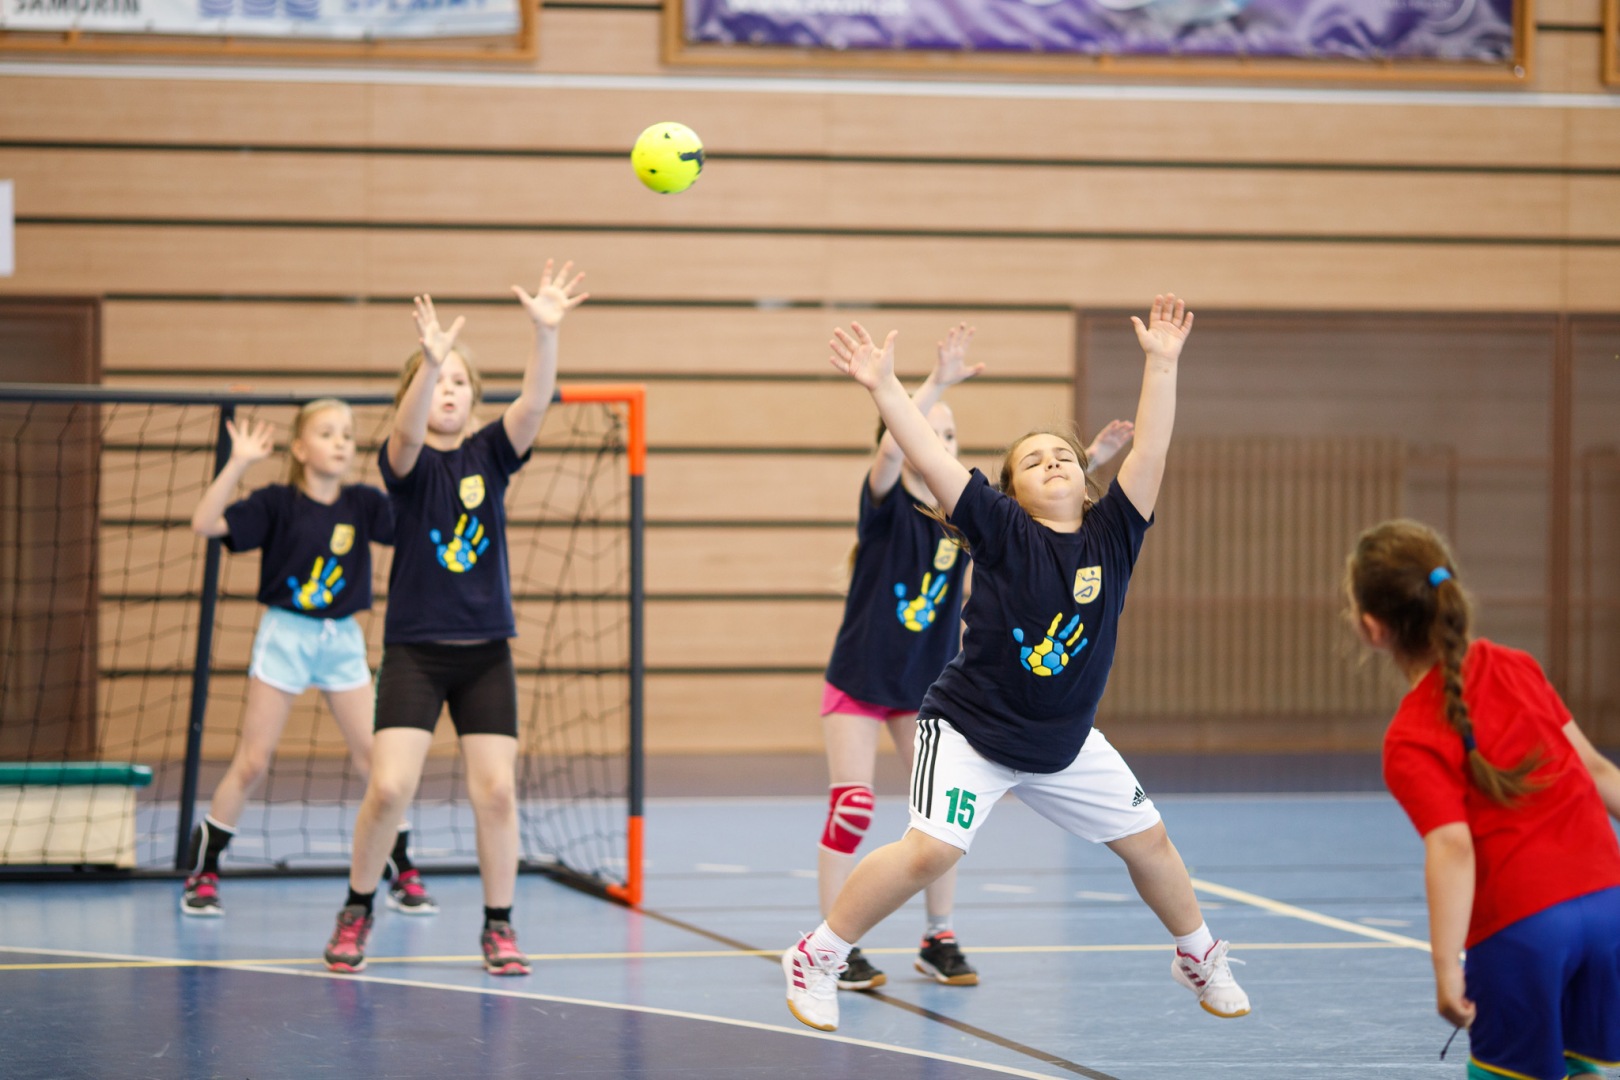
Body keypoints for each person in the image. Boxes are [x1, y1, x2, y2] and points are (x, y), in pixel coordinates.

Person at [783, 295, 1249, 1032]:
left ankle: (1198, 955)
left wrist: (1162, 364)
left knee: (1152, 843)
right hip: (972, 732)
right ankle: (818, 955)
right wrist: (886, 385)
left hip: (1063, 743)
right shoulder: (1000, 529)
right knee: (929, 851)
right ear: (1011, 491)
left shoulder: (1114, 535)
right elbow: (929, 454)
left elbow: (1151, 452)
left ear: (1086, 479)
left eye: (1062, 454)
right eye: (1032, 459)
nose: (1052, 461)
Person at [818, 321, 1135, 992]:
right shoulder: (885, 505)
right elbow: (903, 443)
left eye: (951, 439)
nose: (939, 445)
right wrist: (929, 384)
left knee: (938, 824)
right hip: (859, 682)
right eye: (929, 433)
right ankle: (836, 943)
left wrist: (1094, 460)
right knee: (852, 807)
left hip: (922, 688)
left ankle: (939, 936)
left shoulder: (967, 525)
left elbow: (1036, 511)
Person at [321, 260, 587, 976]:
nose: (448, 390)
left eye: (460, 381)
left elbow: (534, 402)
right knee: (388, 788)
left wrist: (545, 333)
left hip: (484, 653)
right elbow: (406, 434)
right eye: (437, 380)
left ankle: (499, 925)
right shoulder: (404, 465)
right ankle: (357, 908)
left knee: (496, 792)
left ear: (474, 399)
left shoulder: (490, 454)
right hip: (415, 651)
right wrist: (429, 361)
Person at [1347, 519, 1620, 1080]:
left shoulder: (1410, 735)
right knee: (1583, 1067)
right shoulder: (1516, 666)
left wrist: (1446, 967)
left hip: (1523, 928)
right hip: (1608, 904)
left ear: (1372, 628)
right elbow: (1597, 770)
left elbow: (1453, 846)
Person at [184, 399, 433, 918]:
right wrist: (238, 463)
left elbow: (417, 523)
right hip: (286, 636)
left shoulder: (364, 504)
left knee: (378, 761)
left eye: (347, 434)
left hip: (342, 640)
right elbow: (204, 523)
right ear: (299, 448)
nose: (341, 442)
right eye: (327, 433)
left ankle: (401, 868)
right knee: (253, 761)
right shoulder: (276, 503)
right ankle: (204, 870)